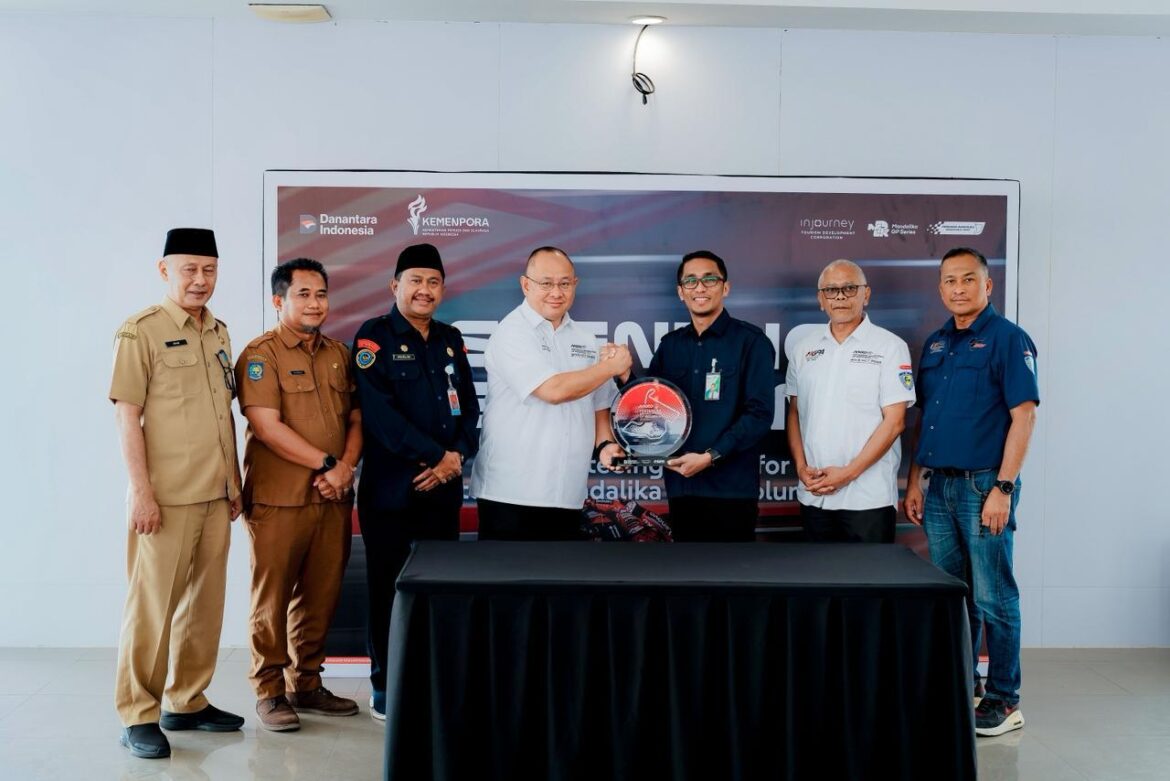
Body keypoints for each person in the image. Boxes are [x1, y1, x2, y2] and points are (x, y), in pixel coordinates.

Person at [109, 228, 245, 759]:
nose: (200, 279)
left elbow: (223, 415)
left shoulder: (218, 332)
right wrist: (140, 492)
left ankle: (186, 701)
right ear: (164, 270)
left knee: (204, 606)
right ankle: (137, 714)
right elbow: (127, 417)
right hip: (164, 498)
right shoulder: (139, 331)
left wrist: (234, 483)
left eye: (209, 269)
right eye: (189, 269)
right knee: (152, 608)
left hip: (215, 493)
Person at [904, 247, 1039, 737]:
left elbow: (1024, 416)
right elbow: (927, 418)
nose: (958, 288)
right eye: (949, 281)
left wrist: (1003, 487)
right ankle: (966, 685)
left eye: (967, 279)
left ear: (987, 285)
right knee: (954, 594)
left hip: (985, 487)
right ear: (940, 288)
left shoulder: (1009, 338)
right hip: (939, 487)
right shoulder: (937, 343)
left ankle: (1005, 699)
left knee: (995, 596)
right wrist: (916, 478)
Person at [351, 243, 480, 721]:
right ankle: (385, 684)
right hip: (391, 491)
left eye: (433, 282)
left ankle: (431, 677)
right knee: (389, 588)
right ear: (395, 286)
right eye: (415, 281)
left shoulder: (450, 339)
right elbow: (380, 417)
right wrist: (436, 456)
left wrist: (456, 457)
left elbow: (469, 407)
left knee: (438, 587)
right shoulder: (374, 337)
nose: (424, 290)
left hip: (442, 491)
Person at [235, 258, 363, 731]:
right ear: (279, 300)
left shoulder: (338, 353)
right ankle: (269, 691)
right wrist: (329, 465)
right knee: (271, 600)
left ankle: (305, 684)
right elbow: (267, 427)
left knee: (321, 595)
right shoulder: (260, 354)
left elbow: (356, 418)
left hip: (332, 498)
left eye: (321, 294)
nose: (314, 303)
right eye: (303, 294)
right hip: (279, 499)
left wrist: (345, 468)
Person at [470, 246, 631, 540]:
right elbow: (553, 390)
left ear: (575, 284)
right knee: (508, 571)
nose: (556, 292)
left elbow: (599, 404)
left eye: (565, 283)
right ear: (526, 285)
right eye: (546, 283)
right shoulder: (512, 332)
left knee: (559, 571)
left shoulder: (584, 338)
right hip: (510, 494)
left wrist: (606, 444)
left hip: (567, 494)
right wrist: (611, 367)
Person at [644, 250, 775, 542]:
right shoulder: (670, 346)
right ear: (681, 292)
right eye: (690, 281)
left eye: (709, 279)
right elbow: (649, 406)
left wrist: (711, 456)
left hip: (732, 491)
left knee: (733, 570)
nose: (699, 287)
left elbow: (759, 414)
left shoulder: (751, 342)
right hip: (682, 488)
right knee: (686, 569)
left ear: (725, 287)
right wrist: (623, 374)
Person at [785, 259, 916, 543]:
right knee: (818, 572)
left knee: (869, 573)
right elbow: (794, 413)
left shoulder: (890, 347)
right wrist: (800, 467)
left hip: (868, 499)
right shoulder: (803, 349)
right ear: (821, 299)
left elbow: (895, 423)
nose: (840, 297)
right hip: (815, 494)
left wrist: (847, 474)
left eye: (849, 288)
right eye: (831, 290)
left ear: (866, 294)